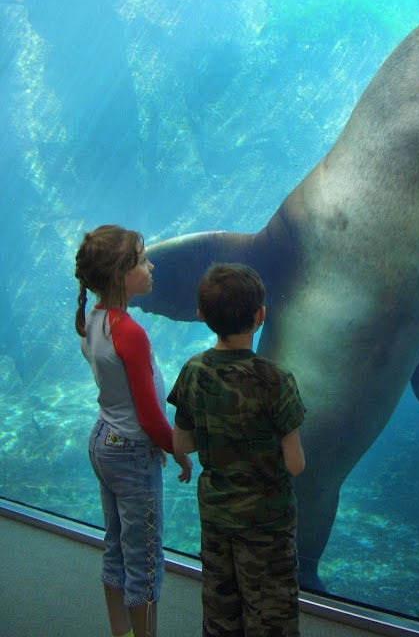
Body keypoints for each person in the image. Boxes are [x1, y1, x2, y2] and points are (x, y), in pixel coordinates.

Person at [168, 262, 306, 637]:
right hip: (267, 523)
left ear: (200, 315)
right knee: (271, 614)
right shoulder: (276, 381)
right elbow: (295, 464)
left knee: (220, 609)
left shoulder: (193, 371)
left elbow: (182, 443)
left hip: (216, 516)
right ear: (261, 316)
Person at [75, 225, 192, 637]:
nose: (151, 265)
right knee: (145, 560)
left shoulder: (94, 319)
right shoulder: (130, 332)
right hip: (131, 452)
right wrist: (177, 448)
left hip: (104, 441)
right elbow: (148, 415)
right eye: (142, 260)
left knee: (116, 548)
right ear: (121, 274)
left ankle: (120, 632)